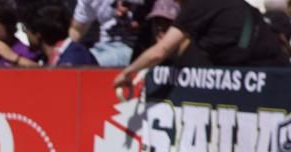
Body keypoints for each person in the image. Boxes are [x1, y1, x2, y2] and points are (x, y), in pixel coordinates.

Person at [114, 0, 288, 88]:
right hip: (276, 78)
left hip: (265, 82)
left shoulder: (198, 5)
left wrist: (127, 72)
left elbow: (161, 51)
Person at [70, 0, 143, 67]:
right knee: (72, 59)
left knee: (81, 63)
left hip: (134, 48)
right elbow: (76, 30)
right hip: (101, 48)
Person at [25, 3, 100, 63]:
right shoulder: (49, 58)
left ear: (37, 34)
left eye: (26, 29)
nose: (26, 33)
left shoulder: (75, 56)